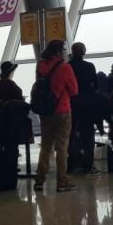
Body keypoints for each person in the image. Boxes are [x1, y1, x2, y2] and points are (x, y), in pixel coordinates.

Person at [33, 40, 79, 193]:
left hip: (45, 112)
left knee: (45, 147)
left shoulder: (41, 65)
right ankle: (62, 182)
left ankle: (39, 180)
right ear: (60, 51)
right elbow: (74, 91)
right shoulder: (65, 67)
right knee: (61, 148)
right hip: (62, 111)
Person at [67, 42, 99, 175]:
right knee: (88, 136)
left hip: (71, 104)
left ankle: (71, 164)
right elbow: (95, 85)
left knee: (71, 134)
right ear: (84, 51)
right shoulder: (89, 66)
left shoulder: (67, 66)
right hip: (87, 105)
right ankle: (88, 165)